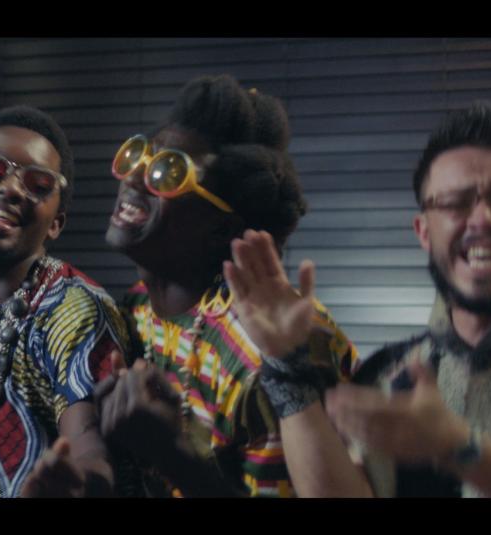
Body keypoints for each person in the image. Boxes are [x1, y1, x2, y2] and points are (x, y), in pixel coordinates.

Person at [234, 102, 491, 498]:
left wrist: (457, 447)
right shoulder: (390, 374)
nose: (483, 220)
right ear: (424, 232)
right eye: (455, 202)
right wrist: (285, 368)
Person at [95, 75, 359, 497]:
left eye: (168, 172)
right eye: (140, 155)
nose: (135, 178)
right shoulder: (137, 307)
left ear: (222, 229)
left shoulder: (270, 351)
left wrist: (172, 454)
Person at [0, 106, 133, 497]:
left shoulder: (73, 309)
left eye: (38, 183)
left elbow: (89, 446)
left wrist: (79, 479)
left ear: (56, 223)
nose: (11, 189)